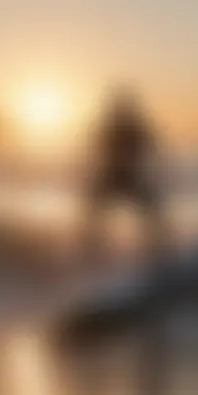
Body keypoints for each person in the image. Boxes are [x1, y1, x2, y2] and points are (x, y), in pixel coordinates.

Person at [84, 87, 168, 264]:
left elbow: (150, 148)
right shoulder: (114, 127)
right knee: (94, 213)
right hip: (115, 175)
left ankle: (160, 254)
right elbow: (96, 150)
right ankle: (89, 251)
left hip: (127, 176)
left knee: (151, 213)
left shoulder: (131, 127)